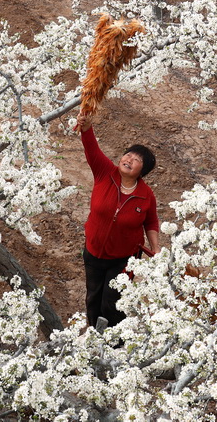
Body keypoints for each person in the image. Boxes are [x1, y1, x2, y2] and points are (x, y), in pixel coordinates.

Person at [76, 111, 160, 330]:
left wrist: (156, 248)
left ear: (143, 171)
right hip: (94, 251)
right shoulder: (105, 173)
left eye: (137, 160)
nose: (129, 160)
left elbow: (150, 222)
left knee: (112, 303)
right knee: (93, 298)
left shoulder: (146, 195)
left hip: (124, 258)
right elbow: (92, 149)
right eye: (128, 155)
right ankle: (94, 337)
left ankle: (116, 340)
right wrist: (87, 127)